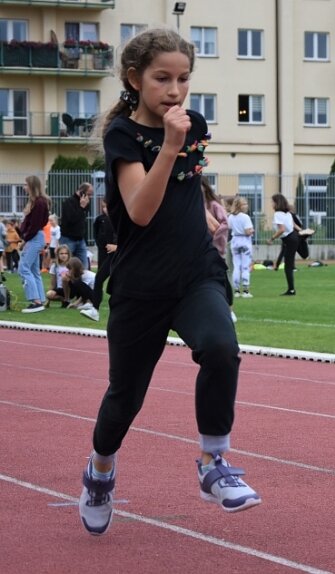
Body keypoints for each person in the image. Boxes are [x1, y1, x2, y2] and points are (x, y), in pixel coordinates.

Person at [78, 27, 260, 537]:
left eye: (184, 78)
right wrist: (170, 146)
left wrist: (201, 206)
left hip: (196, 273)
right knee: (125, 397)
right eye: (163, 78)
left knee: (222, 348)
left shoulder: (193, 125)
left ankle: (213, 463)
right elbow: (138, 210)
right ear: (134, 79)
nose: (176, 90)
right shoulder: (123, 137)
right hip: (140, 285)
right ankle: (100, 469)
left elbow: (186, 176)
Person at [202, 179, 236, 322]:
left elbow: (224, 224)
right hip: (199, 250)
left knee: (222, 278)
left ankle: (229, 308)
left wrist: (216, 240)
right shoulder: (191, 204)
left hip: (215, 249)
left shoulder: (213, 205)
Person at [18, 175, 51, 313]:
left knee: (23, 268)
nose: (24, 187)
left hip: (34, 237)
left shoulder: (39, 203)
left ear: (31, 186)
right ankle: (41, 299)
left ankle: (36, 302)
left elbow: (35, 225)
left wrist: (25, 239)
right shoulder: (38, 202)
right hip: (35, 237)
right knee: (33, 270)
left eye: (26, 185)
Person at [267, 193, 300, 296]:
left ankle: (291, 290)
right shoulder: (288, 213)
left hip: (289, 239)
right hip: (293, 237)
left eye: (272, 202)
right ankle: (291, 289)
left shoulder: (278, 214)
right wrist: (302, 231)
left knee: (288, 266)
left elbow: (282, 230)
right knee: (288, 263)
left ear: (277, 203)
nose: (271, 204)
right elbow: (294, 225)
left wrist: (272, 238)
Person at [60, 182, 93, 268]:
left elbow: (83, 219)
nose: (90, 197)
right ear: (82, 192)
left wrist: (84, 207)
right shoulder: (68, 202)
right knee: (65, 266)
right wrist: (81, 207)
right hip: (68, 238)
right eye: (89, 194)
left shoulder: (86, 202)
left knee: (84, 267)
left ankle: (82, 281)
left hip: (80, 239)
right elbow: (72, 219)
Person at [227, 195, 255, 298]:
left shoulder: (231, 216)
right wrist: (252, 230)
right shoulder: (245, 217)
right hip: (244, 241)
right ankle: (246, 290)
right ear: (240, 206)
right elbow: (248, 231)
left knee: (236, 266)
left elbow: (229, 227)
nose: (247, 206)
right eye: (245, 204)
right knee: (245, 266)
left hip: (235, 241)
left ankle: (236, 290)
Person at [62, 256, 100, 321]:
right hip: (90, 292)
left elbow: (84, 290)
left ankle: (90, 303)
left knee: (76, 283)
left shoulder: (85, 275)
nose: (69, 271)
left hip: (95, 295)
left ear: (75, 269)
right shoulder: (78, 276)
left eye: (70, 269)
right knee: (73, 282)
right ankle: (82, 303)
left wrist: (75, 303)